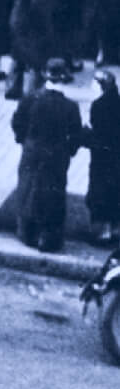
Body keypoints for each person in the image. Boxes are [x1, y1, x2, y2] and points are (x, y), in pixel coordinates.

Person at [11, 59, 84, 252]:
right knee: (53, 194)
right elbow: (76, 135)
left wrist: (23, 140)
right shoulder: (70, 107)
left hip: (33, 152)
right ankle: (49, 236)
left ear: (45, 75)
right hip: (56, 156)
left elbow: (17, 122)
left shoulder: (31, 99)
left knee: (29, 189)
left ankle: (28, 233)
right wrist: (70, 150)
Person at [86, 69, 120, 244]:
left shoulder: (98, 106)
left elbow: (97, 131)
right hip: (116, 157)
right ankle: (115, 230)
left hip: (101, 157)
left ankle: (102, 232)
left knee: (100, 193)